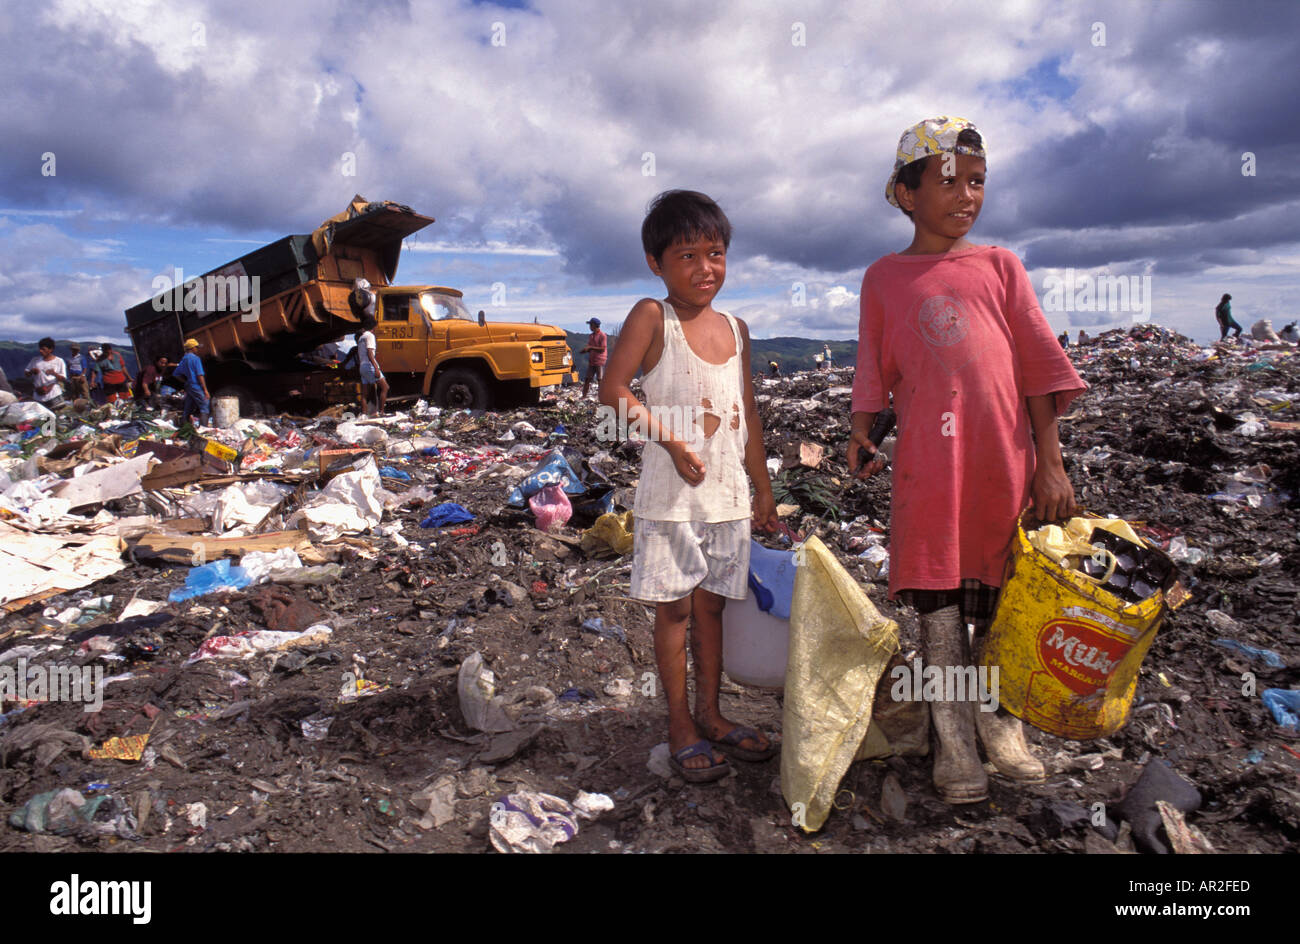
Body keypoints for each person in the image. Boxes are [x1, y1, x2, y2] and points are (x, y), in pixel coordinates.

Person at [848, 117, 1086, 804]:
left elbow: (1039, 372)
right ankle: (954, 745)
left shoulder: (1000, 267)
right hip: (929, 469)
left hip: (1002, 465)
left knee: (1008, 599)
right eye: (947, 181)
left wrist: (1051, 463)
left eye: (977, 182)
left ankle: (1000, 727)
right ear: (904, 194)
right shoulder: (884, 278)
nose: (966, 195)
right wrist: (862, 432)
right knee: (940, 608)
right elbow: (872, 366)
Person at [600, 190, 779, 782]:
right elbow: (614, 392)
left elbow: (747, 411)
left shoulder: (737, 328)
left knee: (712, 609)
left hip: (726, 497)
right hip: (672, 498)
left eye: (716, 253)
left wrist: (763, 490)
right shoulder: (654, 317)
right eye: (687, 256)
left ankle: (713, 712)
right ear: (657, 263)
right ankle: (679, 722)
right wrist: (670, 439)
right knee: (674, 610)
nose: (705, 269)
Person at [172, 338, 211, 427]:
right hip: (196, 386)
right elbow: (200, 375)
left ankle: (183, 427)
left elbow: (176, 374)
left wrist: (186, 381)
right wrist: (205, 390)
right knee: (205, 405)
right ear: (192, 348)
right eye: (196, 347)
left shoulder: (184, 359)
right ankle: (203, 428)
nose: (197, 349)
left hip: (189, 386)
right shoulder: (196, 359)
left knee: (188, 407)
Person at [355, 315, 388, 416]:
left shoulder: (361, 337)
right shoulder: (370, 336)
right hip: (369, 366)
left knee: (365, 394)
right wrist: (376, 368)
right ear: (374, 327)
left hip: (362, 367)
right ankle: (381, 412)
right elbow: (370, 353)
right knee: (385, 387)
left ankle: (364, 415)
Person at [25, 337, 68, 409]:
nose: (40, 351)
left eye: (43, 349)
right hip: (38, 394)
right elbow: (26, 373)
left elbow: (63, 378)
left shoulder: (59, 361)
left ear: (51, 349)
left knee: (56, 415)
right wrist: (32, 371)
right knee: (41, 417)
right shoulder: (35, 360)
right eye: (40, 349)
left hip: (53, 394)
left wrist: (54, 373)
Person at [581, 318, 608, 397]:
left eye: (590, 325)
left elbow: (602, 349)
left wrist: (590, 348)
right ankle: (584, 396)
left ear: (594, 325)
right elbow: (590, 347)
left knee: (600, 379)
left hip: (600, 360)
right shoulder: (591, 336)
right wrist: (586, 350)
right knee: (587, 379)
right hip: (592, 360)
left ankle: (602, 397)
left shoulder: (602, 335)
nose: (589, 327)